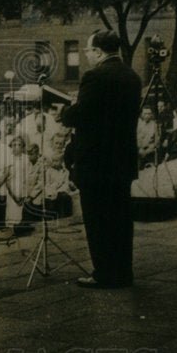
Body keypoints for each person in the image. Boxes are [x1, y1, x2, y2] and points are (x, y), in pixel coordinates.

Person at [61, 30, 141, 289]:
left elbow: (80, 115)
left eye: (87, 50)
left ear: (98, 51)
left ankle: (104, 273)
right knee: (120, 219)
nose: (86, 54)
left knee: (97, 220)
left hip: (96, 162)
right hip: (122, 160)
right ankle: (123, 272)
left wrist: (65, 111)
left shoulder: (94, 76)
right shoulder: (132, 76)